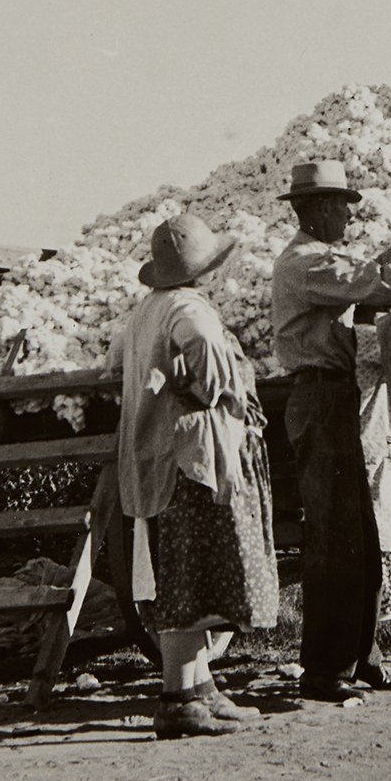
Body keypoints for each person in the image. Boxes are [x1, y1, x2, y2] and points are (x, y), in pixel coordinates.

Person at [270, 160, 391, 704]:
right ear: (321, 209)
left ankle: (362, 657)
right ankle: (323, 670)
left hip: (337, 397)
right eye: (344, 206)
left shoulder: (320, 258)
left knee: (362, 535)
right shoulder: (304, 262)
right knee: (334, 539)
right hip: (321, 400)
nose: (349, 215)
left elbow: (366, 269)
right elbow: (372, 284)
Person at [113, 211, 279, 739]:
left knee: (186, 573)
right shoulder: (188, 308)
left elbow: (113, 366)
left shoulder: (145, 312)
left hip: (157, 456)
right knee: (187, 578)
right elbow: (204, 348)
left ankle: (201, 687)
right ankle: (177, 700)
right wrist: (209, 391)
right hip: (190, 460)